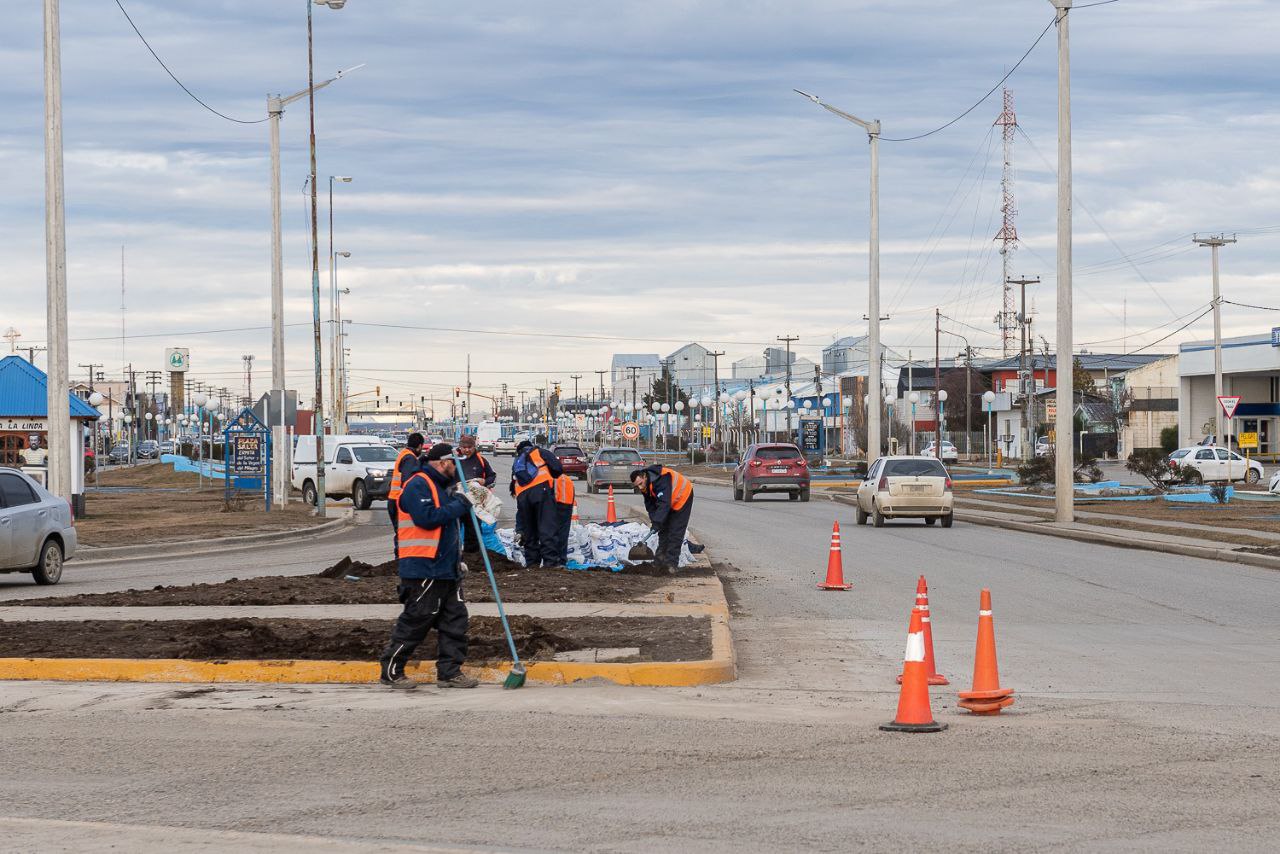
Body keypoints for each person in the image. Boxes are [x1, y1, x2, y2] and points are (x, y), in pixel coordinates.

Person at [379, 443, 478, 690]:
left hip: (447, 569)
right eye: (454, 463)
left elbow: (449, 523)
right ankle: (391, 671)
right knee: (417, 620)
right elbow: (427, 519)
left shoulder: (443, 487)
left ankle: (450, 672)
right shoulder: (418, 484)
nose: (457, 468)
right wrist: (459, 505)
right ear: (443, 463)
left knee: (455, 622)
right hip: (424, 568)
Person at [509, 439, 563, 568]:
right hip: (541, 492)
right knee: (547, 527)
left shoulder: (517, 461)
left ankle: (532, 563)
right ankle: (550, 563)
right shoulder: (540, 452)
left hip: (522, 496)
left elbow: (513, 485)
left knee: (529, 530)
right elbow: (557, 468)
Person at [631, 464, 694, 573]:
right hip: (668, 500)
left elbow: (664, 503)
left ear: (644, 476)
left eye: (640, 484)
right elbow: (651, 506)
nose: (640, 487)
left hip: (682, 497)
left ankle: (671, 565)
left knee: (675, 532)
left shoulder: (661, 479)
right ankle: (659, 561)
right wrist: (655, 522)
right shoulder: (646, 486)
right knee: (663, 530)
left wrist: (658, 521)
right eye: (637, 486)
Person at [386, 433, 425, 557]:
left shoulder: (403, 454)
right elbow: (408, 482)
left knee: (401, 532)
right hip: (399, 501)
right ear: (419, 446)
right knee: (403, 533)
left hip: (394, 498)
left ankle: (400, 558)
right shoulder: (410, 458)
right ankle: (400, 559)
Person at [552, 471, 576, 566]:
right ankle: (562, 559)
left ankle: (554, 558)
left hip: (555, 506)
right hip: (567, 506)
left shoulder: (552, 478)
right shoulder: (567, 479)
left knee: (553, 533)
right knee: (563, 533)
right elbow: (572, 494)